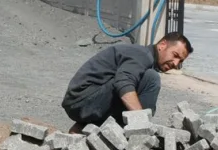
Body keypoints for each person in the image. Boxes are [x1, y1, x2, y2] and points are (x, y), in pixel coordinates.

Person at [62, 33, 193, 128]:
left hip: (80, 101)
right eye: (175, 55)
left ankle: (84, 128)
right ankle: (133, 137)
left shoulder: (142, 56)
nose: (176, 63)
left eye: (180, 61)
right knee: (150, 78)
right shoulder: (144, 55)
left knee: (138, 86)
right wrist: (142, 124)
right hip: (82, 100)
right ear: (162, 45)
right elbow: (123, 82)